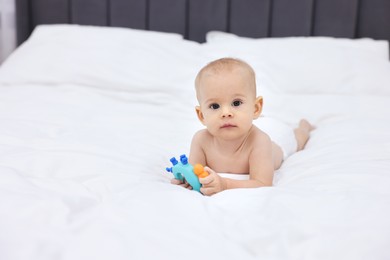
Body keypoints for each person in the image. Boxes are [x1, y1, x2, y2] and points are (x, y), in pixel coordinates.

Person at [171, 57, 314, 196]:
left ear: (256, 108)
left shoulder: (260, 141)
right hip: (247, 122)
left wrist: (225, 184)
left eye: (236, 103)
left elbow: (262, 183)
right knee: (246, 120)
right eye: (215, 106)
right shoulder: (200, 140)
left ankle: (304, 127)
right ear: (201, 115)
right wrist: (187, 180)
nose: (226, 113)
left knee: (298, 140)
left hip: (279, 137)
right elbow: (195, 173)